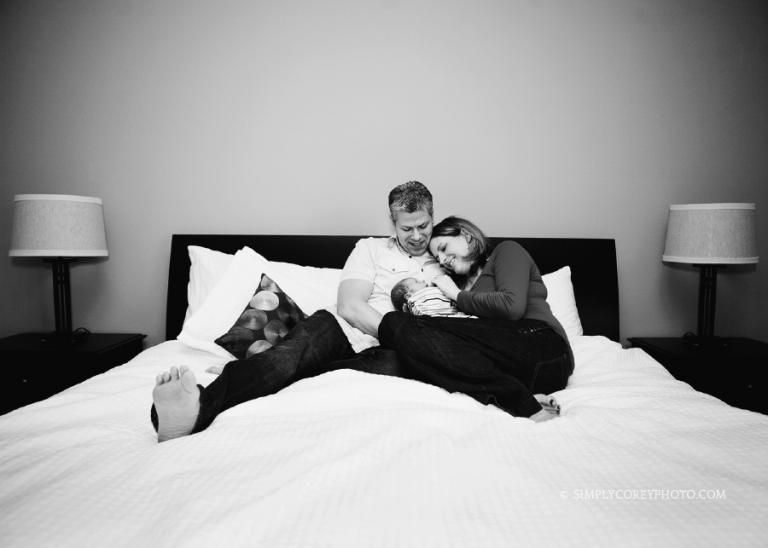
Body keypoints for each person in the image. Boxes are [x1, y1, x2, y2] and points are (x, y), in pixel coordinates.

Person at [151, 181, 441, 442]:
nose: (416, 236)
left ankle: (251, 371)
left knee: (326, 379)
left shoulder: (449, 255)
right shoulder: (370, 249)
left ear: (433, 217)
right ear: (392, 223)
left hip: (390, 352)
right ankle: (193, 409)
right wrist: (402, 336)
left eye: (423, 226)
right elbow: (350, 306)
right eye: (406, 229)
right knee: (284, 361)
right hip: (342, 329)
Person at [377, 216, 574, 422]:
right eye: (438, 258)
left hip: (543, 346)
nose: (443, 260)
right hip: (516, 373)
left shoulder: (507, 251)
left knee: (394, 322)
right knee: (406, 349)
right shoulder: (460, 289)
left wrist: (455, 294)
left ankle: (517, 400)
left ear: (466, 235)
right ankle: (524, 398)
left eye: (444, 248)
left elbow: (512, 306)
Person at [390, 277, 474, 318]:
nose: (422, 280)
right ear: (408, 296)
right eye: (416, 282)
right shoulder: (414, 302)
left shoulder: (430, 291)